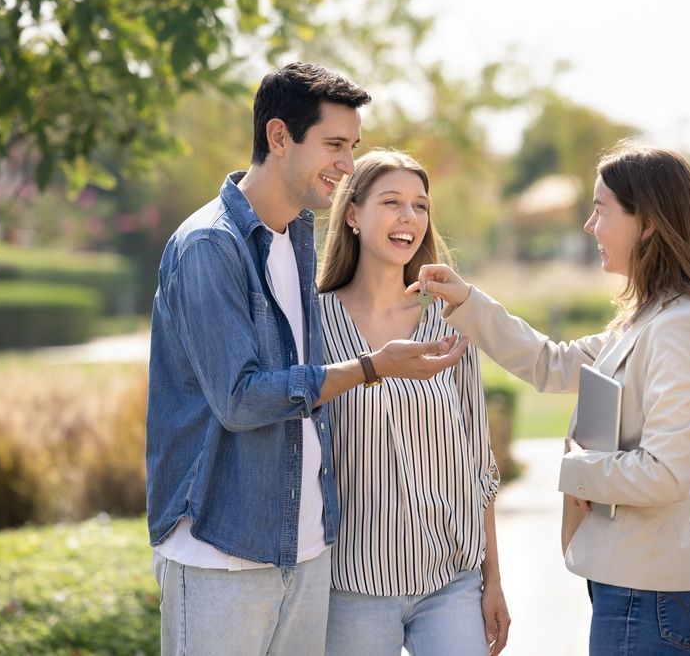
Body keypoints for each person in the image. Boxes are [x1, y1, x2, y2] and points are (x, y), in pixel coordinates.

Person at [145, 63, 470, 656]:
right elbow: (241, 399)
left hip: (307, 551)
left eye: (353, 147)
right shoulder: (208, 246)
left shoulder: (297, 236)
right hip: (222, 552)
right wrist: (372, 366)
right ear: (278, 138)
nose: (347, 165)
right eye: (334, 145)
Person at [414, 142, 690, 655]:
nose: (590, 227)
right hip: (633, 589)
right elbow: (552, 362)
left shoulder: (685, 327)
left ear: (649, 223)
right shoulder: (651, 317)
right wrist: (467, 301)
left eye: (600, 210)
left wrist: (574, 468)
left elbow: (667, 473)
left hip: (648, 595)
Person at [316, 148, 511, 656]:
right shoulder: (311, 324)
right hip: (352, 584)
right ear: (353, 214)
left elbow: (479, 460)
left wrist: (493, 580)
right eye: (392, 202)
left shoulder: (450, 319)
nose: (409, 218)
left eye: (420, 206)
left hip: (451, 581)